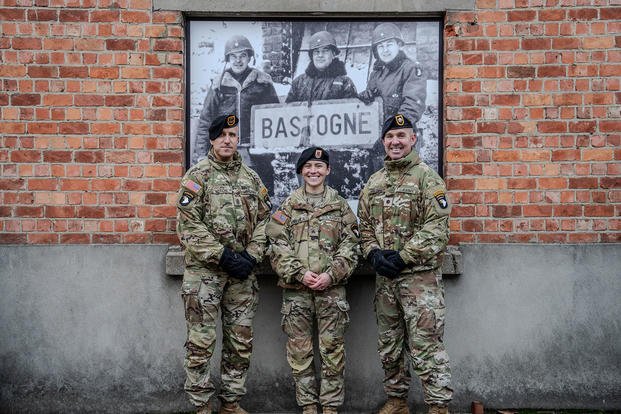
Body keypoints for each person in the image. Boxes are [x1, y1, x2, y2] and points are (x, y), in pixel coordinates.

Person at [357, 114, 453, 414]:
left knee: (426, 344)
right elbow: (364, 227)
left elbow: (437, 230)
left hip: (419, 281)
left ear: (413, 139)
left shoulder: (427, 178)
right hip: (386, 282)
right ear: (383, 141)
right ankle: (397, 401)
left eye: (401, 136)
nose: (395, 141)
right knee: (390, 345)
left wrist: (402, 257)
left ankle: (438, 406)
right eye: (390, 137)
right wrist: (373, 254)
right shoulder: (374, 182)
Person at [177, 114, 272, 414]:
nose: (228, 140)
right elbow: (188, 226)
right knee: (201, 343)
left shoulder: (251, 178)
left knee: (239, 341)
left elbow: (266, 222)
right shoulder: (197, 177)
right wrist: (222, 255)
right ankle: (202, 406)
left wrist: (252, 256)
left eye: (232, 134)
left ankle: (231, 403)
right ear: (212, 139)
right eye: (222, 135)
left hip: (242, 275)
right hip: (205, 275)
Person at [266, 147, 359, 414]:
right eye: (308, 166)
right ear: (301, 171)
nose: (313, 171)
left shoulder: (340, 206)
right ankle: (308, 406)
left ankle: (329, 408)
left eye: (319, 166)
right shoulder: (288, 205)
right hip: (296, 291)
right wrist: (298, 272)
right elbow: (275, 242)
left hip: (331, 291)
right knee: (300, 351)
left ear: (328, 170)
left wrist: (331, 274)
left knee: (332, 350)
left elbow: (351, 244)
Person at [193, 35, 280, 164]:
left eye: (243, 55)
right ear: (228, 58)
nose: (238, 60)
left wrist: (274, 148)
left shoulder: (262, 83)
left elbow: (275, 116)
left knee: (260, 183)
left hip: (257, 152)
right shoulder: (219, 85)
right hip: (225, 149)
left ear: (249, 57)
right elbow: (206, 119)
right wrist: (201, 153)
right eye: (233, 56)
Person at [358, 23, 427, 173]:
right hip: (379, 140)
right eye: (380, 46)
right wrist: (366, 97)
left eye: (389, 44)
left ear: (399, 45)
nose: (385, 50)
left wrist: (393, 131)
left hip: (402, 139)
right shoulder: (376, 73)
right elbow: (374, 103)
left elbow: (413, 104)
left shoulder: (411, 69)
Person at [285, 31, 357, 105]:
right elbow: (287, 112)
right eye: (316, 52)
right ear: (312, 56)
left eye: (325, 51)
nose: (320, 55)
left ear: (333, 54)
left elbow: (352, 109)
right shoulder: (299, 83)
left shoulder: (344, 83)